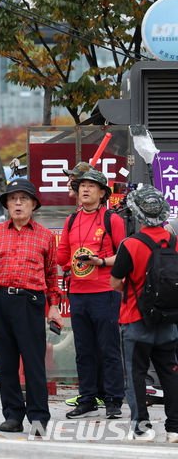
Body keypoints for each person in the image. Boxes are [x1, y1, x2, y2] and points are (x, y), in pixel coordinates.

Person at [0, 178, 63, 434]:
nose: (18, 203)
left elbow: (52, 277)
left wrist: (54, 306)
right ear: (7, 205)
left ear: (34, 204)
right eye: (13, 199)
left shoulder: (45, 236)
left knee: (33, 362)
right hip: (0, 300)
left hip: (31, 302)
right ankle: (12, 414)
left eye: (24, 199)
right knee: (6, 361)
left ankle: (38, 416)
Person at [109, 186, 178, 442]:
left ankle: (142, 427)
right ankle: (174, 428)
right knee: (170, 372)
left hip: (135, 320)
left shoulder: (130, 244)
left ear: (138, 214)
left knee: (136, 375)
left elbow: (115, 282)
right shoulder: (174, 240)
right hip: (168, 319)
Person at [57, 170, 125, 419]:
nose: (84, 190)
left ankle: (113, 399)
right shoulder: (71, 220)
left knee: (108, 348)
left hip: (105, 292)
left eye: (91, 186)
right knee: (83, 349)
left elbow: (123, 255)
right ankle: (87, 398)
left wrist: (101, 261)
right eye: (81, 186)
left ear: (102, 193)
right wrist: (71, 263)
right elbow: (62, 256)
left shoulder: (112, 219)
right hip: (77, 293)